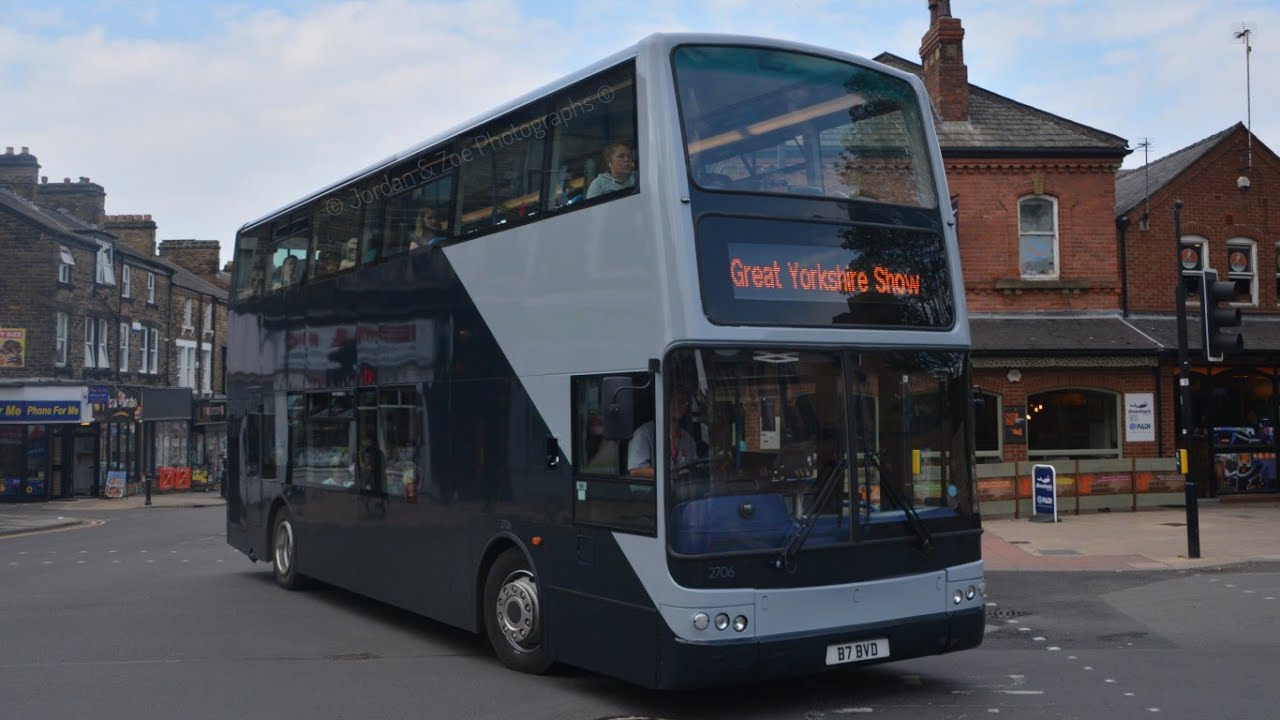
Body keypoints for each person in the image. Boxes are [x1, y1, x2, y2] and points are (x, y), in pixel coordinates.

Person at [627, 388, 697, 479]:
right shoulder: (643, 434)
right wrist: (672, 473)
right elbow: (636, 471)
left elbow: (694, 466)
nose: (683, 406)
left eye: (685, 403)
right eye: (678, 401)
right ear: (666, 402)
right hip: (653, 488)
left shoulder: (687, 439)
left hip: (683, 487)